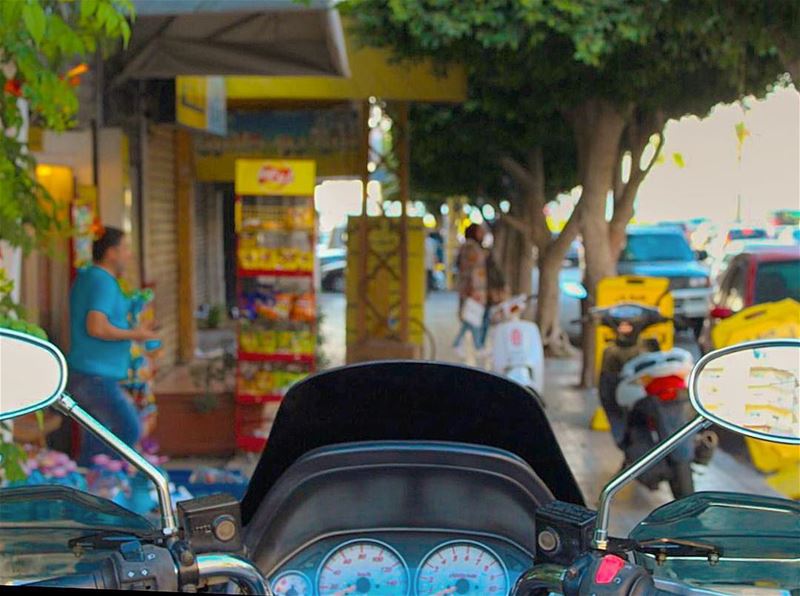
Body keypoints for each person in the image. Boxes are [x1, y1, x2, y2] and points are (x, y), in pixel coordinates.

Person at [67, 226, 159, 466]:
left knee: (98, 438)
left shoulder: (89, 277)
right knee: (128, 429)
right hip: (94, 375)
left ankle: (90, 488)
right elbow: (96, 326)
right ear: (111, 253)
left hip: (89, 373)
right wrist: (136, 333)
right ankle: (92, 487)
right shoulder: (103, 281)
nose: (129, 255)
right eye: (125, 248)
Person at [453, 224, 491, 358]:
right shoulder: (471, 248)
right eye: (480, 232)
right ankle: (477, 346)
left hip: (474, 288)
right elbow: (471, 271)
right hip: (473, 289)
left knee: (471, 318)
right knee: (472, 318)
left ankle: (461, 343)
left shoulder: (470, 247)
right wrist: (473, 290)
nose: (483, 234)